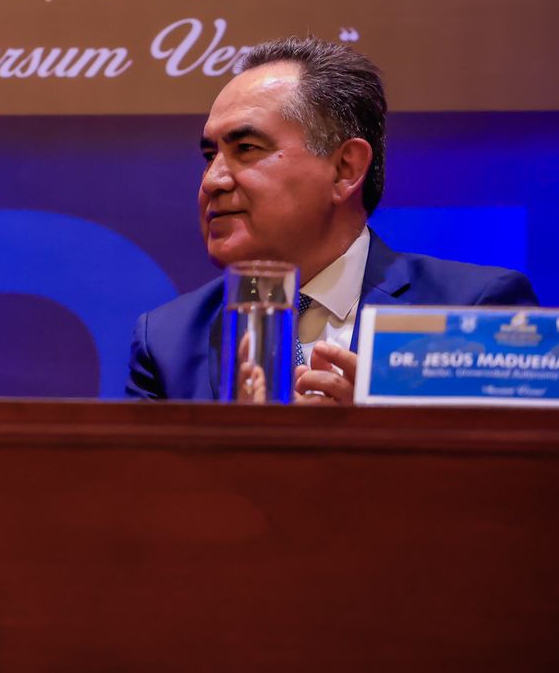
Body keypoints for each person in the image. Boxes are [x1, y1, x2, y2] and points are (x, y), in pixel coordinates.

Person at [128, 36, 535, 404]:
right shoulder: (166, 342)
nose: (212, 180)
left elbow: (514, 464)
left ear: (344, 169)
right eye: (209, 156)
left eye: (247, 148)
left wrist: (380, 440)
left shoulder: (470, 312)